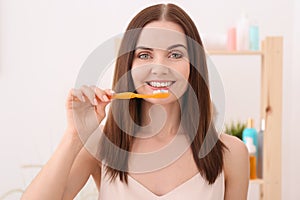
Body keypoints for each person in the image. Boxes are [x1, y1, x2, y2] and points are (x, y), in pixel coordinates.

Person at [22, 3, 249, 200]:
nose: (159, 68)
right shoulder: (100, 145)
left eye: (175, 54)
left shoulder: (231, 153)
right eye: (144, 55)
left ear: (194, 66)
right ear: (128, 67)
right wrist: (74, 135)